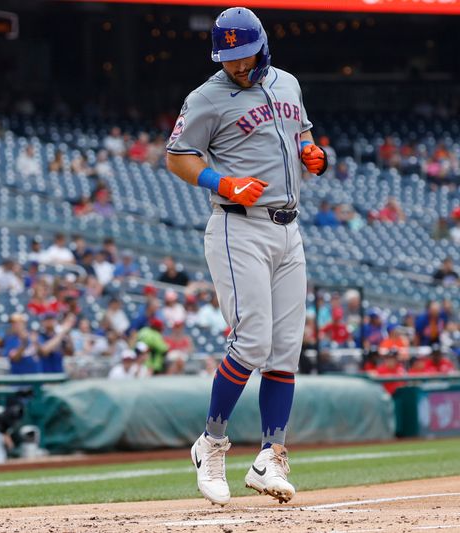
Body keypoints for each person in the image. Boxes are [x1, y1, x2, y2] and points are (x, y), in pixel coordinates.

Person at [165, 7, 327, 505]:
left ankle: (269, 457)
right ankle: (211, 443)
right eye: (229, 57)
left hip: (288, 228)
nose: (237, 65)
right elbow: (177, 155)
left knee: (284, 351)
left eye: (245, 54)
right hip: (239, 227)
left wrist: (312, 150)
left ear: (262, 44)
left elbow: (300, 133)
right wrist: (220, 180)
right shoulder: (207, 97)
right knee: (252, 341)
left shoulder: (288, 83)